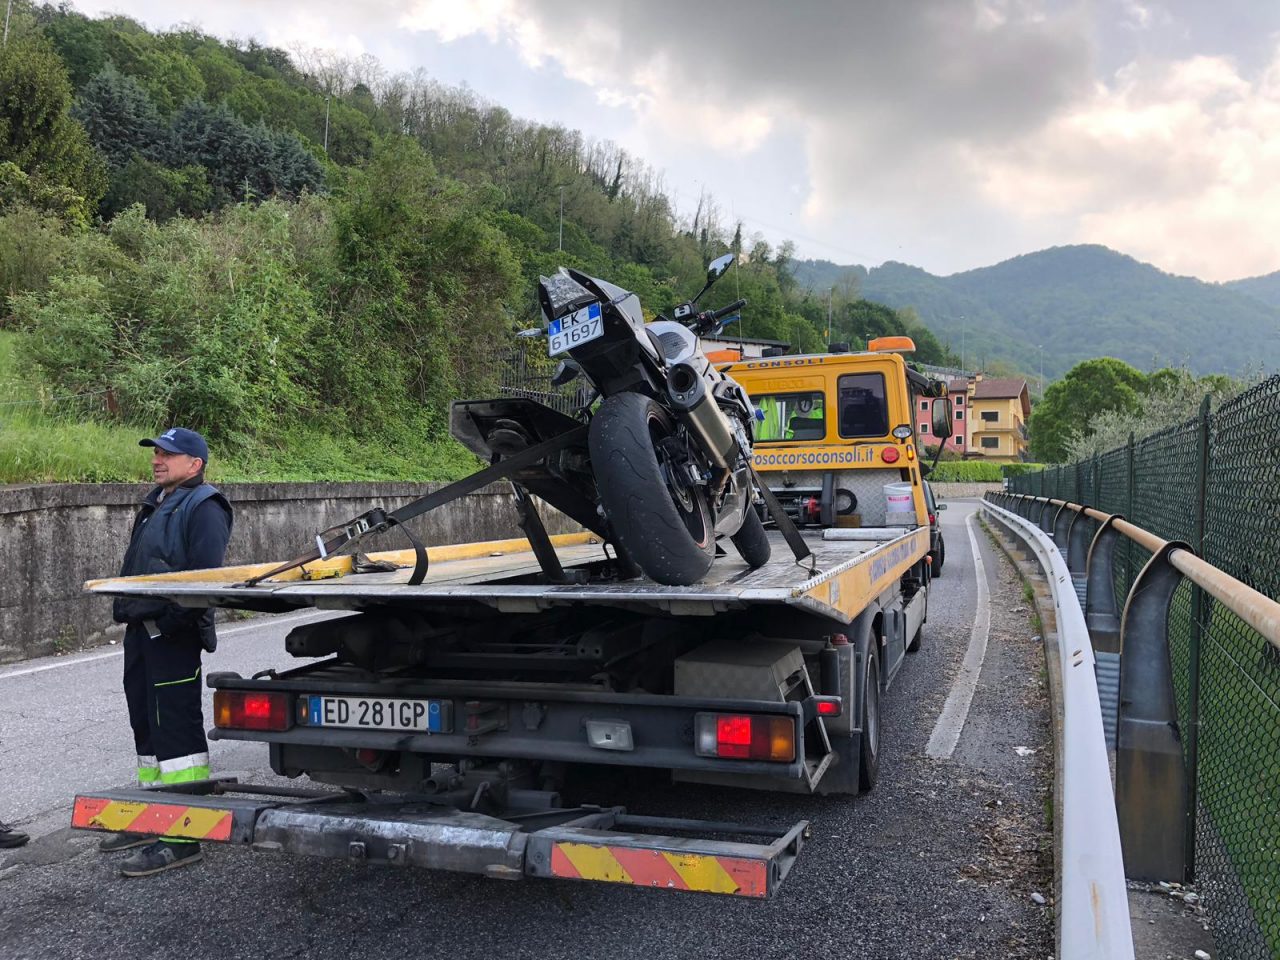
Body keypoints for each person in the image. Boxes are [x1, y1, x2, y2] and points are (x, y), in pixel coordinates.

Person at [103, 428, 232, 878]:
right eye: (157, 453)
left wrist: (172, 625)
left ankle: (182, 837)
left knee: (175, 732)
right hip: (142, 631)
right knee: (146, 724)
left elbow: (204, 578)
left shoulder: (205, 506)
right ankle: (151, 817)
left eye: (168, 454)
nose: (158, 460)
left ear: (194, 464)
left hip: (172, 636)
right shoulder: (156, 501)